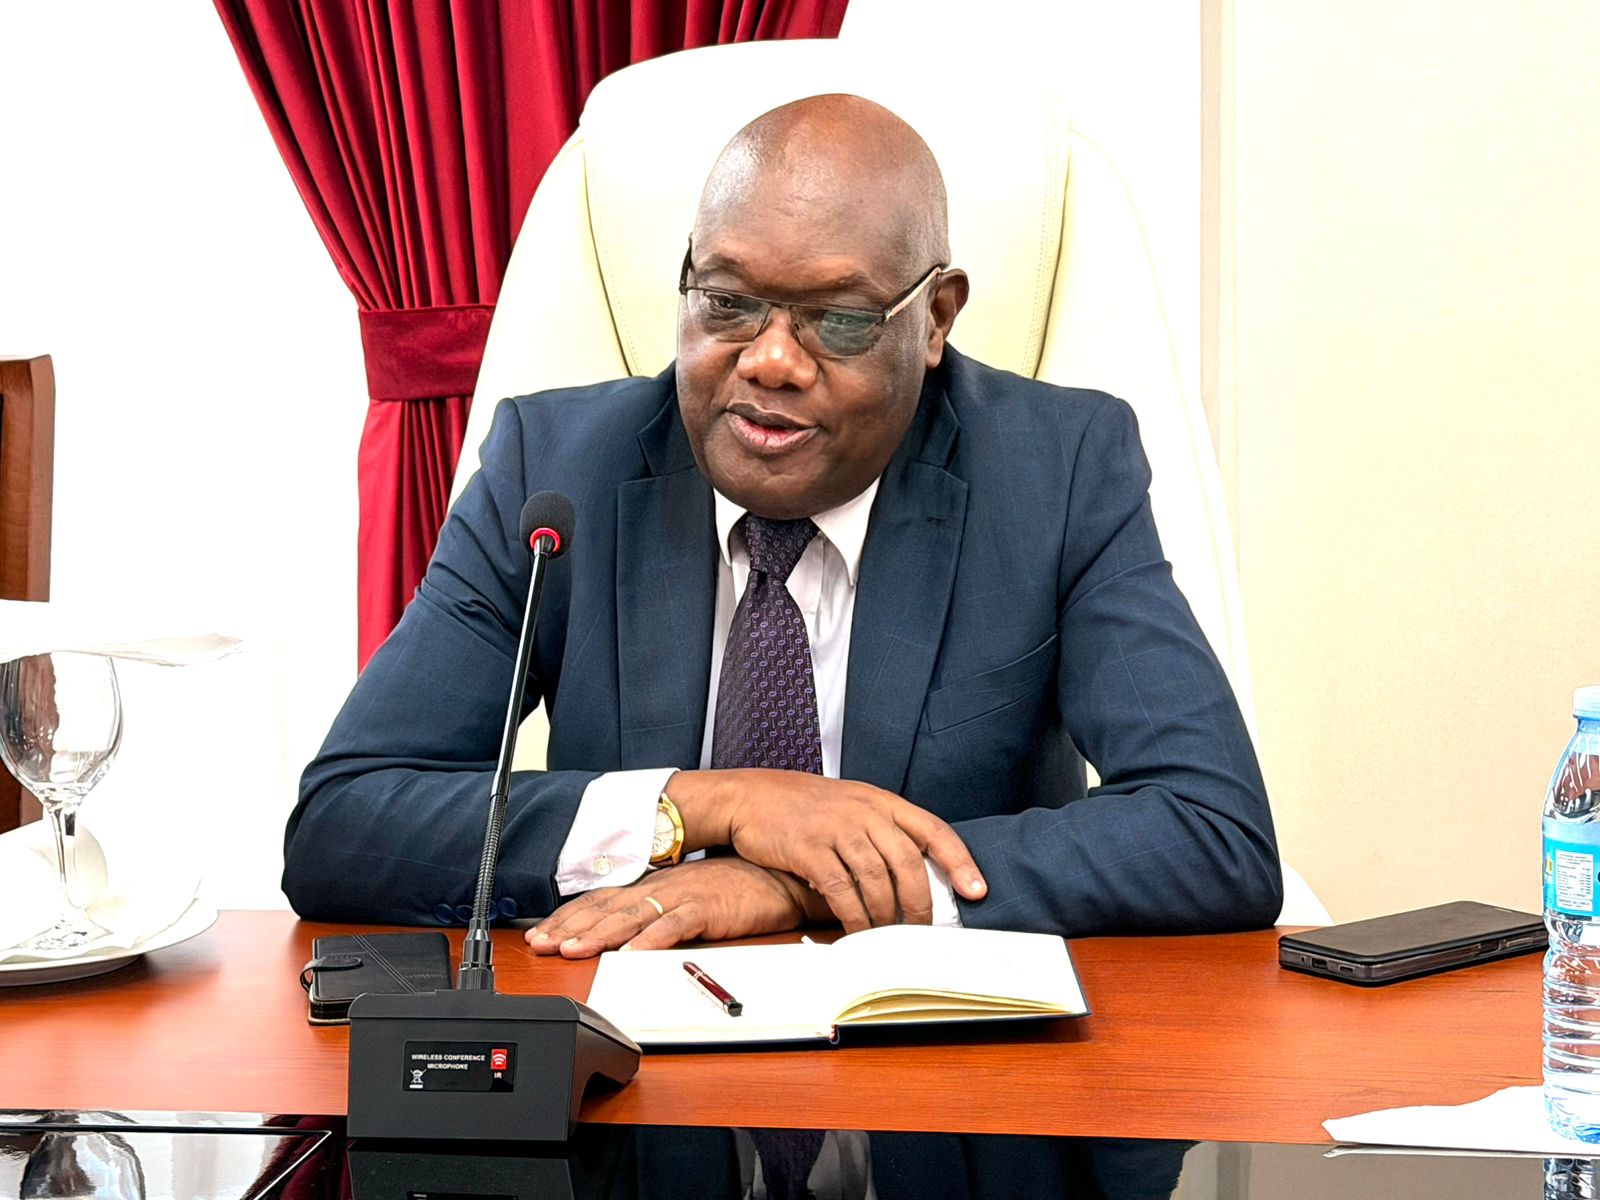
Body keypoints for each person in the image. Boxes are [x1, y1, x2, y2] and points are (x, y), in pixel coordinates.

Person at [283, 94, 1282, 954]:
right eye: (727, 302)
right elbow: (343, 824)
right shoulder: (556, 472)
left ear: (936, 318)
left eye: (838, 320)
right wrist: (719, 806)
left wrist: (800, 883)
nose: (769, 360)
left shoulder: (1054, 471)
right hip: (630, 1050)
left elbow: (1210, 831)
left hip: (943, 1061)